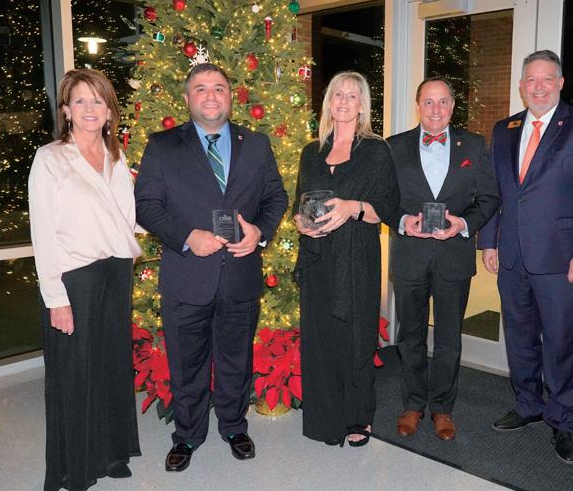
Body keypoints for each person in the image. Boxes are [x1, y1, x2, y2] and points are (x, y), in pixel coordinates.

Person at [135, 63, 287, 472]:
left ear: (230, 97)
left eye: (219, 87)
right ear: (187, 98)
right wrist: (188, 236)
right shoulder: (163, 145)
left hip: (240, 274)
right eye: (200, 88)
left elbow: (275, 197)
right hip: (187, 276)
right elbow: (146, 205)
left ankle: (235, 427)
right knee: (187, 364)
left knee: (236, 360)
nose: (210, 95)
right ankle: (187, 435)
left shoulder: (256, 144)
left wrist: (260, 231)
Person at [477, 50, 573, 464]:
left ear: (560, 83)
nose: (538, 87)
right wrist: (489, 241)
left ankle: (561, 418)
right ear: (521, 86)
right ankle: (528, 404)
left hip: (562, 259)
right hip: (512, 257)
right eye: (530, 80)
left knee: (560, 342)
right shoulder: (505, 129)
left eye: (546, 79)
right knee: (519, 338)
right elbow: (495, 193)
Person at [29, 68, 143, 491]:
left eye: (98, 100)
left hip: (116, 272)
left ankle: (112, 454)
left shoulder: (117, 157)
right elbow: (42, 232)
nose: (90, 108)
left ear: (110, 110)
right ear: (66, 110)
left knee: (111, 367)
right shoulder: (50, 158)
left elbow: (125, 218)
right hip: (74, 278)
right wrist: (55, 297)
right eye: (80, 100)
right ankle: (74, 466)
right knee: (75, 374)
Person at [386, 76, 499, 441]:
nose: (436, 109)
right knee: (411, 336)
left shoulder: (474, 146)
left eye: (443, 101)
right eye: (429, 102)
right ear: (418, 106)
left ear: (453, 105)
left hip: (454, 257)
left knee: (449, 338)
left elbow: (489, 199)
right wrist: (403, 221)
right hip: (410, 256)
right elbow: (383, 199)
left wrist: (463, 224)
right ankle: (413, 405)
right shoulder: (394, 147)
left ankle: (442, 409)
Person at [294, 71, 399, 447]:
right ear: (328, 102)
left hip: (356, 260)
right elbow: (299, 203)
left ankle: (357, 417)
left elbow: (388, 207)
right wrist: (301, 223)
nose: (343, 101)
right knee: (320, 339)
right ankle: (324, 418)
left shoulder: (375, 151)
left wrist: (354, 207)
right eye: (337, 94)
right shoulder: (311, 151)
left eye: (352, 96)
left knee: (355, 339)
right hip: (317, 259)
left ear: (362, 106)